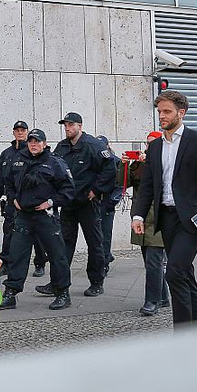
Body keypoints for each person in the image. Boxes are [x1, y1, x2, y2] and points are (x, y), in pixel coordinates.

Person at [131, 90, 197, 327]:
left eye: (167, 111)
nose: (161, 116)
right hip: (167, 219)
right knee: (184, 273)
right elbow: (148, 185)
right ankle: (196, 328)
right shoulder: (155, 148)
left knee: (173, 273)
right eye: (159, 111)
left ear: (181, 113)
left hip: (191, 220)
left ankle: (183, 334)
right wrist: (138, 214)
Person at [36, 112, 116, 299]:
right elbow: (53, 168)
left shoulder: (93, 145)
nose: (68, 128)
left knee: (95, 243)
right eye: (65, 125)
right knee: (62, 244)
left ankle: (97, 282)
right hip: (68, 203)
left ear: (80, 126)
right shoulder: (62, 147)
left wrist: (96, 190)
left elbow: (111, 168)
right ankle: (58, 283)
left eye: (71, 125)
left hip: (88, 204)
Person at [0, 129, 75, 311]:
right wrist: (13, 198)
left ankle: (63, 292)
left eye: (37, 141)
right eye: (31, 141)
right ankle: (10, 293)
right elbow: (7, 181)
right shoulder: (19, 159)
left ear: (44, 144)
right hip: (23, 216)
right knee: (17, 255)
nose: (33, 144)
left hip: (45, 217)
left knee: (57, 256)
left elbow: (68, 189)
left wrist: (50, 202)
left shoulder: (55, 163)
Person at [122, 131, 170, 316]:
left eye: (152, 144)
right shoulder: (140, 165)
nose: (149, 147)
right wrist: (124, 165)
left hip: (159, 220)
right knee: (150, 262)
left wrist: (150, 164)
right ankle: (163, 297)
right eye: (147, 144)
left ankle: (152, 301)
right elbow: (122, 184)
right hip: (142, 219)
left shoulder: (165, 162)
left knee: (154, 262)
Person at [0, 120, 48, 278]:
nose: (20, 133)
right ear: (13, 132)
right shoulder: (7, 154)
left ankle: (40, 262)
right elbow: (2, 177)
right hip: (12, 200)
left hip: (30, 200)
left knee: (36, 232)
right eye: (17, 130)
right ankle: (6, 263)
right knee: (8, 230)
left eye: (23, 130)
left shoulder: (32, 152)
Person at [96, 135, 123, 277]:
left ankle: (104, 262)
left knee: (105, 235)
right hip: (95, 202)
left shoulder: (116, 161)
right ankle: (104, 258)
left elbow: (120, 184)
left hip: (106, 202)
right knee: (96, 236)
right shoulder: (94, 160)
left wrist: (111, 202)